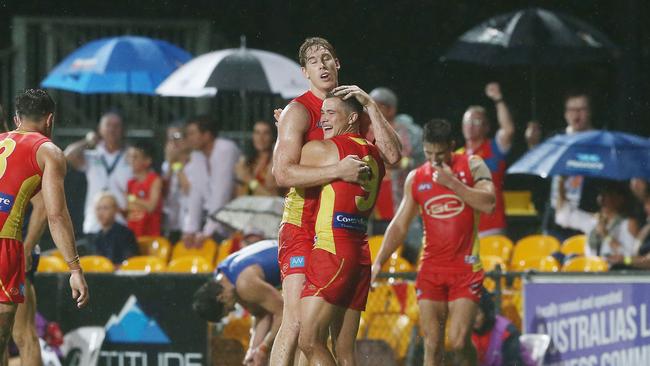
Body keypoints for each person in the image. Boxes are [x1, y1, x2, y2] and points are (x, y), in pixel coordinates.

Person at [270, 37, 402, 366]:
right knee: (298, 321)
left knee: (323, 334)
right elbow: (282, 175)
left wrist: (371, 106)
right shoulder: (298, 111)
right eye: (314, 61)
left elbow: (393, 156)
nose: (322, 65)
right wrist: (338, 170)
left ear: (337, 64)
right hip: (303, 224)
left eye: (327, 58)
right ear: (305, 72)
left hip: (337, 231)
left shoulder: (349, 108)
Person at [372, 119, 496, 366]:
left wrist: (452, 183)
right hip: (431, 267)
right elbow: (399, 225)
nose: (434, 160)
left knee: (459, 341)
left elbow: (488, 203)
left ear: (452, 146)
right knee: (432, 342)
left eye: (440, 153)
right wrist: (378, 262)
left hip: (465, 268)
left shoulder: (472, 165)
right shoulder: (416, 178)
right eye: (429, 153)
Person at [0, 89, 89, 364]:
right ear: (50, 119)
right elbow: (56, 215)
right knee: (10, 337)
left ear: (17, 119)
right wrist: (74, 268)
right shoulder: (48, 151)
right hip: (6, 245)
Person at [297, 93, 385, 366]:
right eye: (322, 113)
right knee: (345, 352)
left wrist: (285, 131)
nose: (323, 119)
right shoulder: (375, 154)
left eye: (331, 113)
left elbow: (283, 173)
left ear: (352, 118)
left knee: (309, 341)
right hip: (359, 253)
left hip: (332, 251)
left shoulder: (322, 150)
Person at [192, 240, 283, 366]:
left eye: (227, 310)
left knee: (296, 340)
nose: (232, 310)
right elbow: (262, 314)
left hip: (302, 259)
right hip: (288, 250)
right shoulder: (223, 275)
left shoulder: (244, 285)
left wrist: (264, 348)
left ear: (221, 298)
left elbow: (282, 312)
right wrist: (253, 351)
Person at [543, 91, 603, 241]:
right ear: (565, 114)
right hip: (555, 218)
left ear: (590, 112)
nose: (576, 114)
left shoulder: (599, 141)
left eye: (581, 109)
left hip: (584, 217)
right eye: (572, 110)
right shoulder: (555, 139)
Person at [457, 82, 514, 238]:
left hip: (491, 226)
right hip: (465, 228)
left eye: (476, 122)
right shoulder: (456, 156)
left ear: (487, 127)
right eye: (467, 122)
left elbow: (508, 130)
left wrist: (498, 100)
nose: (470, 126)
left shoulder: (494, 148)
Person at [64, 111, 131, 234]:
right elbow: (68, 155)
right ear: (100, 129)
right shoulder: (93, 155)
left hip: (123, 223)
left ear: (123, 130)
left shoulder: (130, 156)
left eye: (116, 126)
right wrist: (88, 141)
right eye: (108, 125)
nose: (112, 129)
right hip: (95, 224)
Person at [183, 115, 241, 246]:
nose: (188, 138)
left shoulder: (225, 149)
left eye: (192, 133)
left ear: (206, 135)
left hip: (234, 221)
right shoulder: (197, 155)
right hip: (215, 220)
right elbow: (195, 194)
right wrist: (190, 230)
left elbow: (221, 193)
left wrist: (207, 231)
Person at [471, 291, 533, 366]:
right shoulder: (465, 332)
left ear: (486, 312)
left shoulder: (506, 331)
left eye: (477, 313)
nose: (473, 318)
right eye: (470, 313)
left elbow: (513, 362)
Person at [89, 192, 139, 264]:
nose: (101, 213)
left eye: (105, 208)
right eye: (98, 208)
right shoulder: (96, 237)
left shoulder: (126, 234)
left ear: (115, 210)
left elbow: (130, 263)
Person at [161, 123, 191, 243]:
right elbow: (162, 192)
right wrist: (170, 165)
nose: (173, 143)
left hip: (189, 224)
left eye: (177, 138)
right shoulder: (166, 165)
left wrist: (176, 165)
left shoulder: (195, 162)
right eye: (170, 139)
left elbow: (187, 189)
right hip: (171, 222)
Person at [126, 142, 163, 237]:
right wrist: (143, 205)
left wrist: (133, 199)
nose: (131, 160)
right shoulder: (130, 183)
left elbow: (151, 207)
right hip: (133, 234)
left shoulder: (155, 180)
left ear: (147, 161)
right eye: (129, 157)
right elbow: (127, 207)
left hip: (150, 234)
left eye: (135, 157)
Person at [235, 120, 280, 197]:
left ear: (272, 136)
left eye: (266, 133)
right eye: (257, 133)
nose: (260, 138)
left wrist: (249, 180)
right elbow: (241, 194)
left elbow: (271, 196)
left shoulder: (276, 161)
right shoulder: (245, 161)